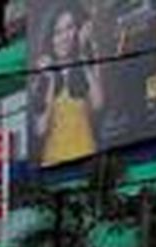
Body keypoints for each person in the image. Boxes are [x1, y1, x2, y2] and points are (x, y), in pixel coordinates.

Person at [33, 0, 103, 166]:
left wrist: (83, 55)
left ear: (77, 30)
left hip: (87, 156)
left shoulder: (88, 63)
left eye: (70, 28)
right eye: (57, 32)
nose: (64, 38)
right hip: (53, 162)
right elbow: (40, 129)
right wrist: (49, 79)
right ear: (50, 38)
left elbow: (98, 104)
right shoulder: (41, 75)